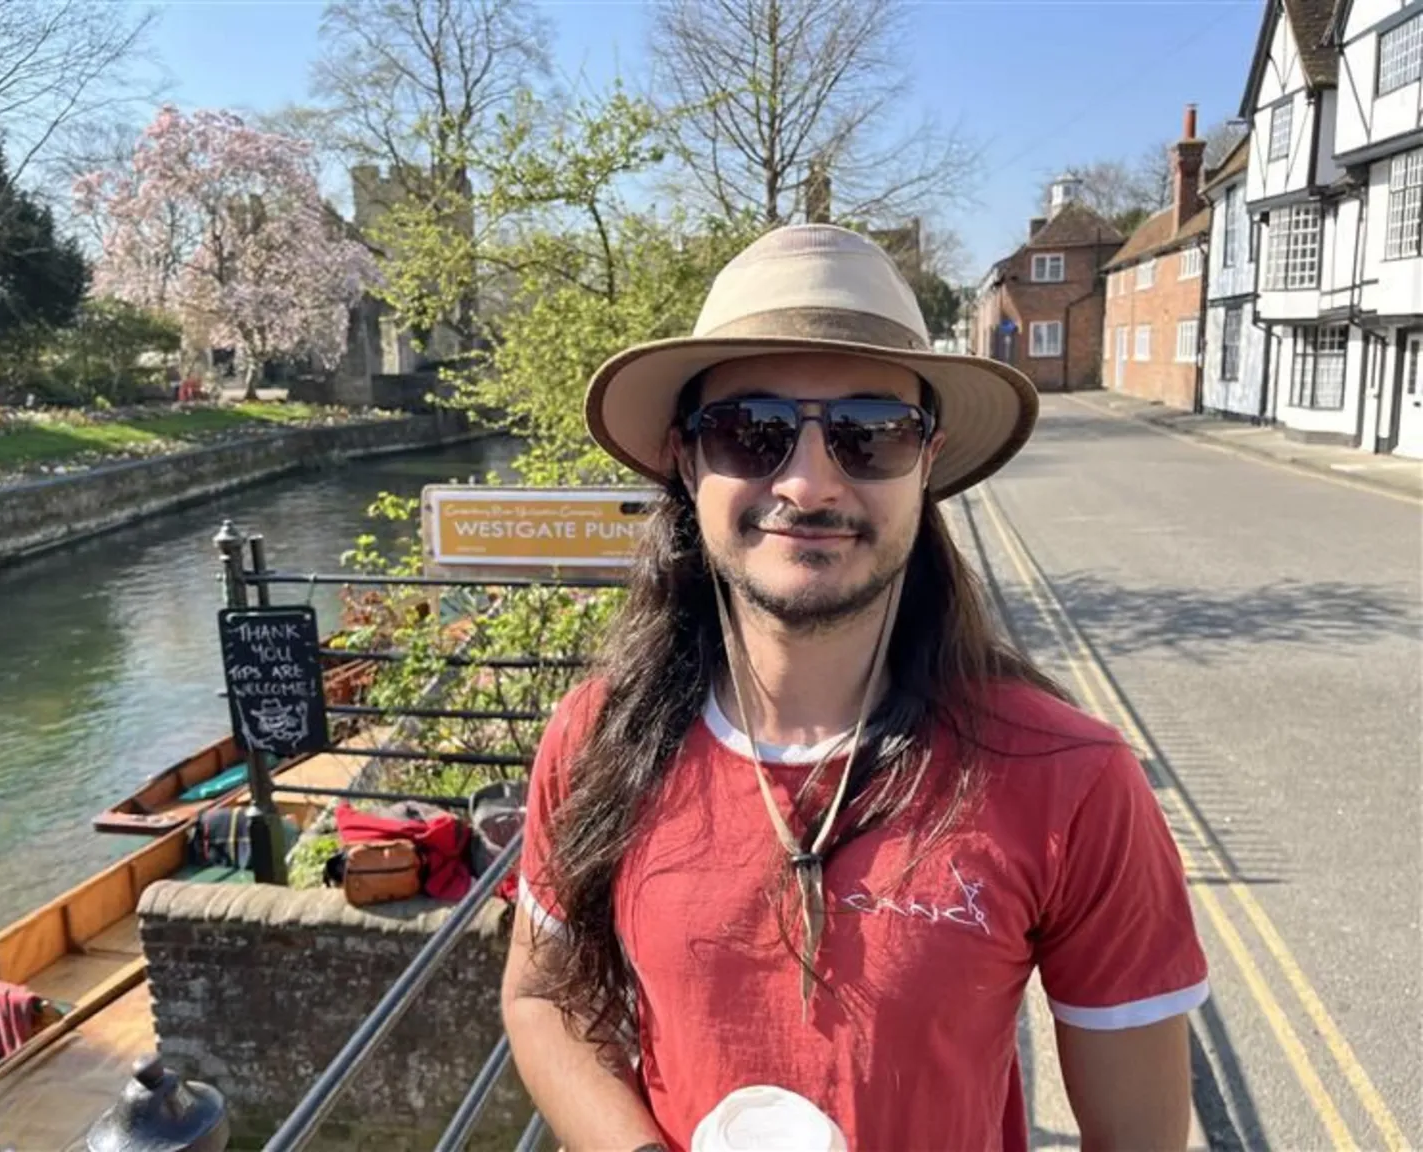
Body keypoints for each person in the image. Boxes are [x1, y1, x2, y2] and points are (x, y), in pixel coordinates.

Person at [502, 224, 1208, 1151]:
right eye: (749, 430)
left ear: (927, 459)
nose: (808, 480)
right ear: (686, 459)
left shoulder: (1070, 779)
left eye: (870, 434)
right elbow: (541, 997)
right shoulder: (601, 735)